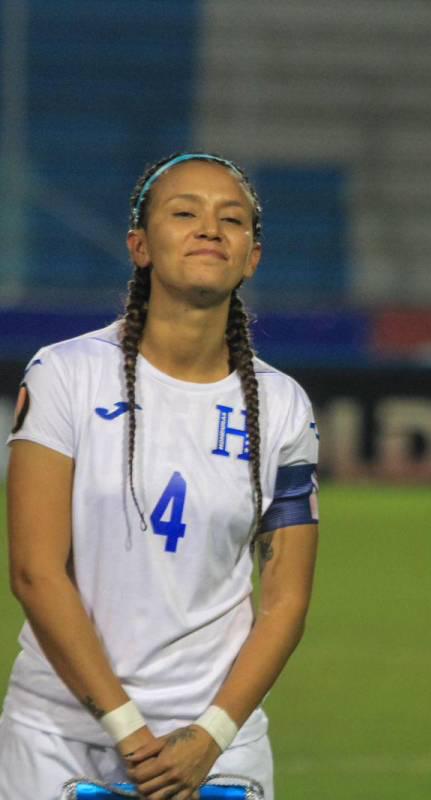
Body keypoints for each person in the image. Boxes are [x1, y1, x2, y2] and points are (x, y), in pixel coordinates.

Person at [0, 152, 320, 799]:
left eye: (231, 219)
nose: (210, 228)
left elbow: (286, 600)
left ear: (252, 257)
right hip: (61, 736)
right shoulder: (64, 375)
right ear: (139, 246)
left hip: (217, 747)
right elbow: (35, 571)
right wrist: (131, 734)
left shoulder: (284, 405)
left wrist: (212, 734)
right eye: (185, 213)